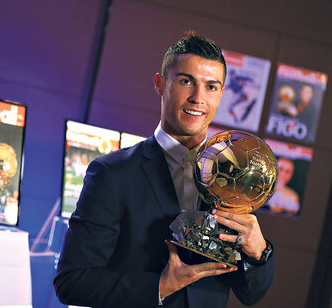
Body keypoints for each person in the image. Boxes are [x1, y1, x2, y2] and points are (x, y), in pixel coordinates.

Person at [54, 31, 274, 308]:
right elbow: (72, 282)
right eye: (186, 81)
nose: (198, 98)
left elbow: (252, 295)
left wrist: (258, 253)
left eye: (211, 86)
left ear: (221, 94)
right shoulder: (112, 173)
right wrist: (160, 286)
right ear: (160, 84)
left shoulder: (234, 174)